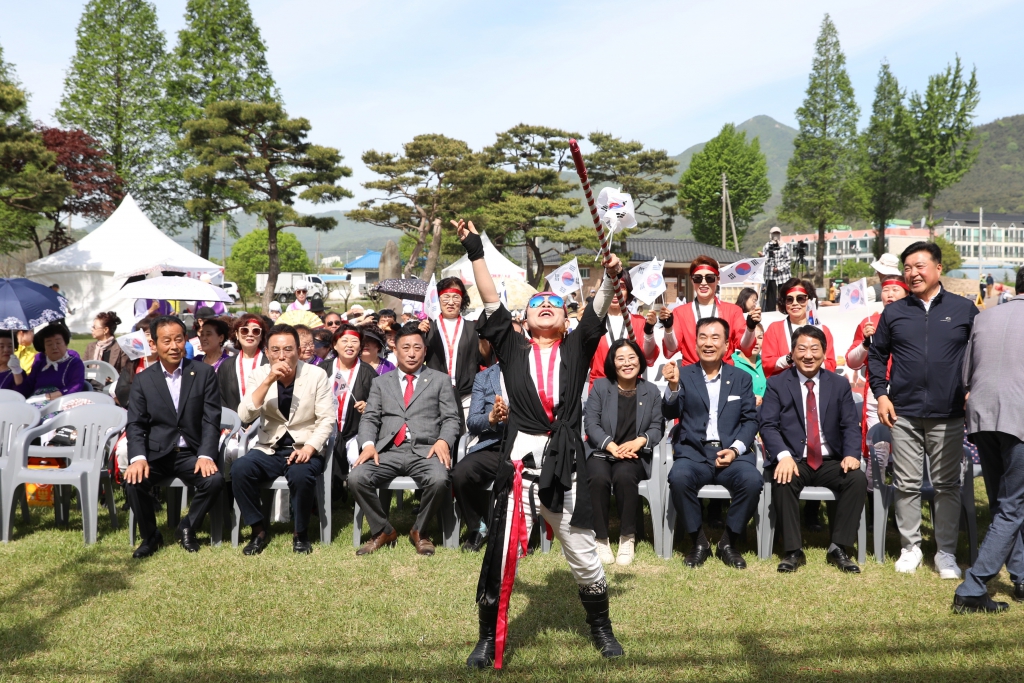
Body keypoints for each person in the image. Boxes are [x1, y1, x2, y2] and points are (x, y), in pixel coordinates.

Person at [454, 219, 625, 669]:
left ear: (567, 320)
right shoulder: (511, 348)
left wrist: (609, 274)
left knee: (584, 556)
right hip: (518, 468)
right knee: (499, 556)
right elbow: (490, 297)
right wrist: (475, 249)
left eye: (554, 304)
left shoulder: (578, 346)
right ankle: (488, 639)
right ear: (524, 320)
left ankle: (601, 628)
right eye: (537, 304)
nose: (545, 305)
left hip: (566, 464)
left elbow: (600, 304)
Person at [869, 241, 978, 578]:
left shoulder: (964, 309)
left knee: (947, 484)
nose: (912, 274)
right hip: (904, 413)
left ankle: (945, 552)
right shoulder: (895, 311)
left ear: (938, 269)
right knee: (906, 482)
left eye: (919, 266)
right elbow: (877, 355)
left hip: (949, 412)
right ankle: (910, 547)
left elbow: (979, 353)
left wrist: (973, 389)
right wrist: (881, 394)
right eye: (907, 268)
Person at [760, 325, 866, 574]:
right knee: (783, 478)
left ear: (824, 352)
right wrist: (783, 456)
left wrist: (852, 454)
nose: (808, 355)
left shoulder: (838, 384)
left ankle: (839, 548)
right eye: (802, 349)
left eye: (814, 349)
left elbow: (850, 424)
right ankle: (793, 551)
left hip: (831, 460)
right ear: (793, 352)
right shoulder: (777, 383)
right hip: (795, 458)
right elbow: (768, 425)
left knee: (857, 479)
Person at [350, 323, 461, 557]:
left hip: (426, 450)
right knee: (356, 477)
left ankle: (420, 531)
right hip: (387, 450)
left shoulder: (440, 380)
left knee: (440, 479)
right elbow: (369, 419)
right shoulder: (381, 382)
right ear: (395, 351)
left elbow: (452, 419)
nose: (412, 353)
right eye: (406, 348)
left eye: (417, 348)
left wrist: (443, 441)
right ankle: (383, 530)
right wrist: (368, 445)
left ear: (425, 350)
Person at [662, 317, 760, 569]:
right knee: (679, 477)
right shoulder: (682, 374)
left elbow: (750, 421)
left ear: (726, 345)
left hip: (731, 453)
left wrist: (736, 449)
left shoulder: (741, 378)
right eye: (703, 337)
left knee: (752, 481)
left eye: (715, 337)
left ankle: (728, 542)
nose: (708, 343)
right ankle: (699, 542)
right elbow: (669, 411)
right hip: (695, 452)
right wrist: (672, 386)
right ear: (695, 344)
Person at [953, 269, 1024, 613]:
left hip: (982, 417)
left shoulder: (986, 317)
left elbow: (966, 374)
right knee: (1012, 507)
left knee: (1005, 504)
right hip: (1018, 418)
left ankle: (1022, 577)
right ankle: (973, 586)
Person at [124, 316, 224, 558]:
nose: (173, 346)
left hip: (191, 452)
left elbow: (211, 419)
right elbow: (135, 424)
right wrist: (138, 457)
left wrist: (206, 454)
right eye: (166, 340)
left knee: (214, 481)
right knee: (134, 482)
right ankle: (151, 536)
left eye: (178, 339)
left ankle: (187, 526)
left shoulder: (203, 373)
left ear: (186, 341)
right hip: (157, 453)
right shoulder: (144, 380)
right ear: (155, 344)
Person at [232, 324, 336, 555]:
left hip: (304, 446)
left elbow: (327, 419)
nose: (282, 356)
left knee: (301, 475)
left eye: (288, 349)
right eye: (276, 350)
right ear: (267, 352)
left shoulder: (316, 375)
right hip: (269, 447)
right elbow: (245, 416)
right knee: (239, 469)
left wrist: (310, 447)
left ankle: (300, 533)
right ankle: (258, 529)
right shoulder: (259, 375)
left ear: (299, 350)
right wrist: (268, 380)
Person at [585, 339, 664, 566]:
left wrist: (640, 441)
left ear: (640, 360)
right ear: (613, 362)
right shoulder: (601, 387)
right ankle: (600, 538)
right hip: (602, 451)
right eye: (621, 359)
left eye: (632, 357)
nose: (627, 363)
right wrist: (611, 446)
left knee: (624, 476)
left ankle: (627, 537)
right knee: (598, 478)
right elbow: (590, 423)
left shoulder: (651, 391)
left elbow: (657, 427)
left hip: (633, 455)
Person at [845, 255, 909, 453]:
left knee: (907, 448)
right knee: (877, 447)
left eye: (895, 290)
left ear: (906, 293)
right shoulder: (869, 322)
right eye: (886, 290)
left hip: (909, 391)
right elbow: (851, 362)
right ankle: (875, 485)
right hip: (876, 391)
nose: (889, 294)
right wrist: (865, 343)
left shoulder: (916, 320)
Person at [451, 358, 506, 553]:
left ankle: (513, 532)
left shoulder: (533, 372)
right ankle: (478, 526)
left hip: (523, 444)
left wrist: (512, 417)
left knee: (515, 475)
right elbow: (473, 422)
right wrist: (491, 418)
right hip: (492, 443)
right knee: (461, 473)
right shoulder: (484, 377)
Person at [662, 256, 756, 367]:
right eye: (697, 278)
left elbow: (745, 347)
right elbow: (671, 348)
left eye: (709, 278)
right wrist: (668, 329)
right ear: (692, 280)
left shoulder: (733, 311)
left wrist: (750, 328)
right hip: (692, 375)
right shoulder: (680, 312)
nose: (703, 283)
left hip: (725, 373)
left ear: (717, 279)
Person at [422, 277, 483, 426]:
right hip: (434, 394)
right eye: (446, 297)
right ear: (437, 299)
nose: (450, 302)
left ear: (462, 300)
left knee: (465, 439)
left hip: (467, 396)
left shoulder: (473, 329)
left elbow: (482, 358)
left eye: (456, 297)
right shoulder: (428, 328)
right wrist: (419, 334)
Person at [323, 323, 376, 479]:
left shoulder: (368, 372)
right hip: (325, 430)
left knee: (355, 457)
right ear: (335, 344)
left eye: (354, 341)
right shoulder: (323, 368)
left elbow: (380, 403)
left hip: (355, 433)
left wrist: (368, 407)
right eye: (344, 340)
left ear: (360, 347)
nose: (349, 345)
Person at [587, 273, 657, 389]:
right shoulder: (593, 323)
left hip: (632, 388)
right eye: (611, 286)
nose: (616, 292)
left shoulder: (639, 322)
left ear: (628, 292)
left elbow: (649, 358)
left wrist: (649, 331)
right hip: (600, 389)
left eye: (622, 287)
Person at [758, 277, 836, 379]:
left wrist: (810, 360)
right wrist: (790, 358)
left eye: (800, 298)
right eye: (789, 299)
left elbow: (831, 365)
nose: (795, 303)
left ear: (809, 300)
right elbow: (767, 364)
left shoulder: (822, 330)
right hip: (785, 388)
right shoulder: (775, 329)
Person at [217, 315, 269, 415]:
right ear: (237, 334)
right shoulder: (226, 365)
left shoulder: (270, 364)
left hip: (264, 425)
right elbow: (221, 398)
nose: (250, 335)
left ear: (261, 336)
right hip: (233, 426)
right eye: (244, 330)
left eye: (256, 331)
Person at [24, 324, 86, 399]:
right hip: (36, 403)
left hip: (62, 404)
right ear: (44, 348)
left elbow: (76, 386)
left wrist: (48, 397)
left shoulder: (75, 363)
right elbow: (26, 388)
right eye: (49, 344)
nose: (54, 347)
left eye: (58, 343)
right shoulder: (39, 364)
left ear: (66, 344)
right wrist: (16, 372)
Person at [114, 322, 159, 409]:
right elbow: (121, 389)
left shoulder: (167, 363)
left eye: (155, 334)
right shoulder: (133, 362)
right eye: (147, 334)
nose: (151, 339)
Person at [759, 226, 792, 312]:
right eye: (774, 233)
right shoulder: (767, 246)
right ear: (771, 235)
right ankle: (771, 312)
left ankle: (784, 311)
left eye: (777, 233)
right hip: (770, 275)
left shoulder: (784, 246)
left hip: (783, 275)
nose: (776, 235)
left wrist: (779, 268)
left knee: (783, 295)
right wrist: (763, 257)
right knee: (770, 296)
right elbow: (765, 261)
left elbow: (788, 261)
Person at [731, 323, 765, 406]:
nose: (756, 342)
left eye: (760, 338)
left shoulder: (766, 362)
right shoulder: (731, 362)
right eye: (752, 338)